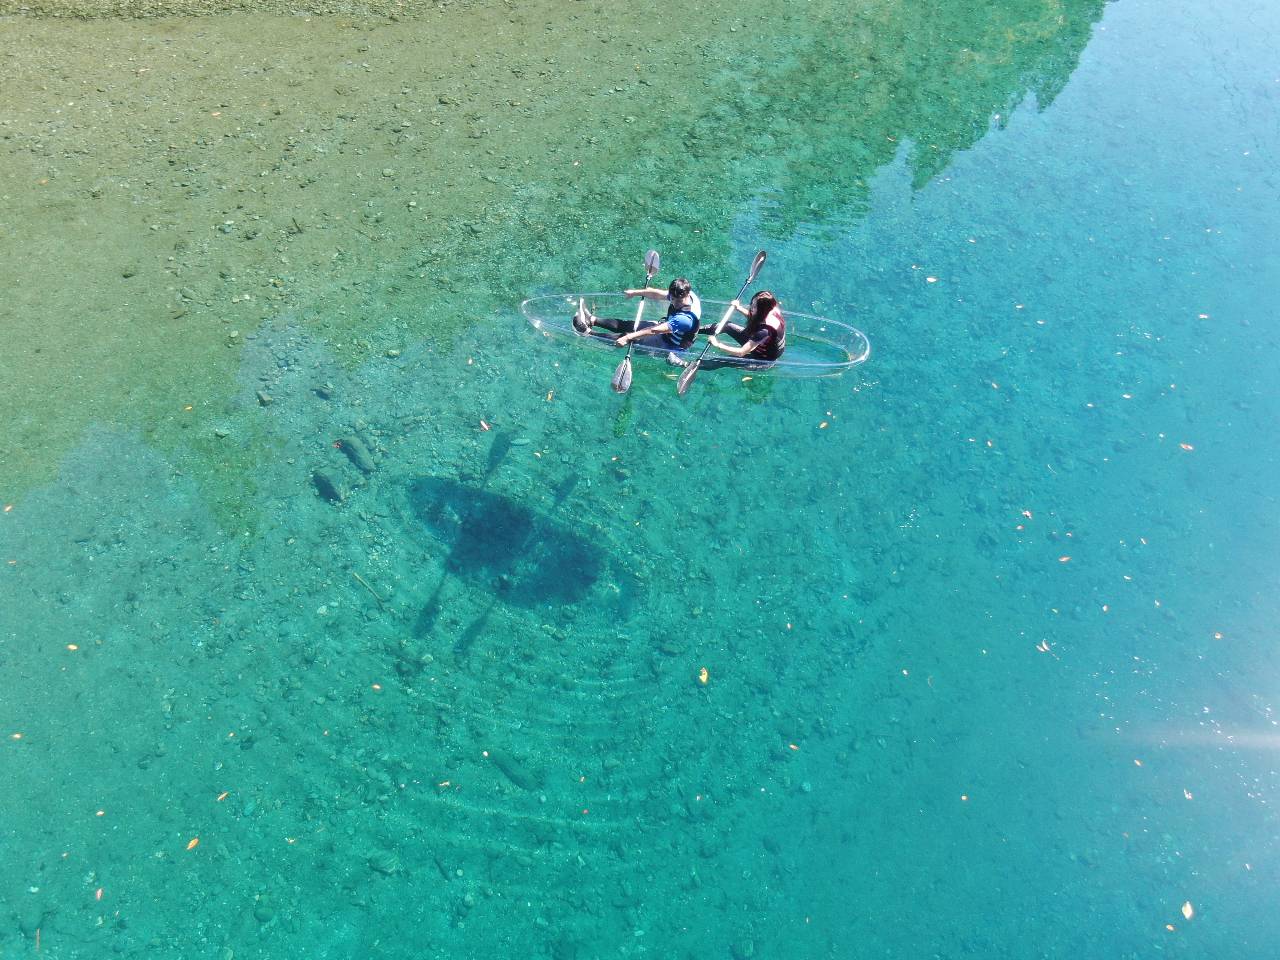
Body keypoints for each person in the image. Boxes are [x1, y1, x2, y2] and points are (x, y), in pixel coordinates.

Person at [574, 278, 702, 356]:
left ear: (687, 295)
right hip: (667, 331)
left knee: (627, 336)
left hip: (670, 346)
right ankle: (592, 319)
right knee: (630, 324)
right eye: (673, 299)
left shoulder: (685, 319)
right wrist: (635, 292)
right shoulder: (680, 294)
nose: (675, 303)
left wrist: (628, 337)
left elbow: (654, 331)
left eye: (678, 301)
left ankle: (586, 332)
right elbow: (657, 294)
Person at [705, 290, 786, 363]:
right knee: (727, 325)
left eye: (755, 307)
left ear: (763, 309)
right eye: (752, 304)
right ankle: (695, 330)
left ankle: (699, 365)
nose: (751, 308)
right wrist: (738, 307)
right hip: (757, 343)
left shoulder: (764, 331)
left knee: (720, 361)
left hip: (762, 359)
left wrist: (717, 345)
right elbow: (756, 317)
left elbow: (742, 352)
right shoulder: (770, 309)